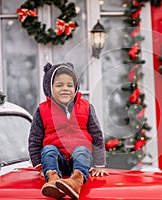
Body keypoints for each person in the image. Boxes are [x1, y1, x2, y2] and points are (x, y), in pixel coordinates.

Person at [28, 62, 108, 199]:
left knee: (82, 149)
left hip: (80, 160)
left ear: (76, 87)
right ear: (49, 87)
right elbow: (34, 139)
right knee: (48, 149)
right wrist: (40, 166)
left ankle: (75, 181)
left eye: (69, 85)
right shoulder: (42, 110)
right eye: (59, 85)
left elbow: (97, 135)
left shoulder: (86, 107)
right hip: (56, 160)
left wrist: (99, 164)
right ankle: (53, 180)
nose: (65, 89)